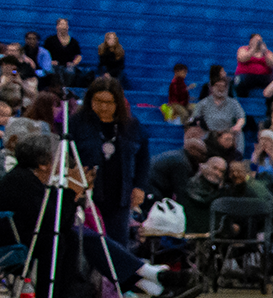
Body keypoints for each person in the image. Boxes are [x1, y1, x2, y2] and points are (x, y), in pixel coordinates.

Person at [1, 131, 100, 298]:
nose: (64, 162)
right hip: (11, 239)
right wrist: (72, 191)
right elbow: (53, 222)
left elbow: (63, 222)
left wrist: (73, 193)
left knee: (71, 237)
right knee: (55, 241)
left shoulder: (37, 181)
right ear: (43, 163)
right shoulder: (21, 181)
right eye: (59, 156)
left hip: (25, 235)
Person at [72, 77, 149, 244]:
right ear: (90, 99)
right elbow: (67, 157)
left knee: (118, 247)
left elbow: (143, 158)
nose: (104, 107)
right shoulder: (77, 123)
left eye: (110, 102)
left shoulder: (132, 125)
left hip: (120, 197)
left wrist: (140, 186)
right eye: (98, 101)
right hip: (86, 197)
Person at [149, 128, 208, 201]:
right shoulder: (182, 163)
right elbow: (181, 191)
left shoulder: (179, 155)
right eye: (202, 153)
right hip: (152, 189)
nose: (204, 157)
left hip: (152, 186)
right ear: (193, 150)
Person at [45, 19, 84, 87]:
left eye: (65, 25)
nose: (63, 27)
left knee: (70, 71)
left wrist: (73, 63)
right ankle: (56, 88)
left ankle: (66, 89)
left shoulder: (73, 42)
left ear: (68, 27)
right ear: (57, 26)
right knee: (53, 71)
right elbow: (44, 54)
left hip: (68, 65)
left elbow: (79, 56)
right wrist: (50, 61)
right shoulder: (50, 40)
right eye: (61, 24)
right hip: (54, 65)